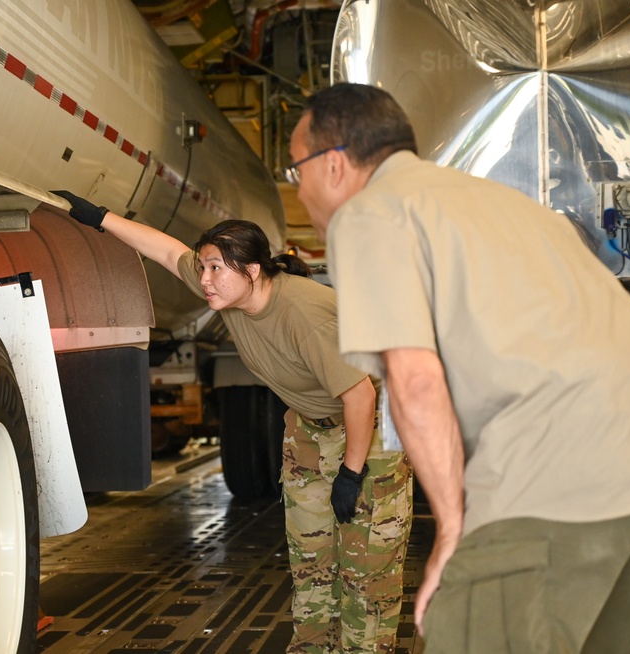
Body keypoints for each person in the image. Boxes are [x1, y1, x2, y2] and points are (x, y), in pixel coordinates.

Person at [287, 82, 630, 654]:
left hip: (556, 469)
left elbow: (415, 382)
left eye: (295, 170)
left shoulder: (370, 213)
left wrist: (453, 532)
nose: (297, 192)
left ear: (332, 164)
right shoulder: (499, 203)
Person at [52, 189, 413, 653]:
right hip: (309, 426)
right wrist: (100, 218)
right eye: (204, 267)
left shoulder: (302, 314)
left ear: (252, 271)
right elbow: (166, 250)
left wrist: (350, 473)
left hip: (369, 432)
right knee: (313, 565)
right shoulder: (232, 294)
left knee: (367, 575)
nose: (204, 279)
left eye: (215, 268)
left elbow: (360, 395)